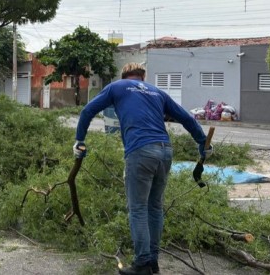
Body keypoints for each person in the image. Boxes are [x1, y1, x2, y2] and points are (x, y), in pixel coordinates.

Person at [72, 63, 211, 275]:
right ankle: (153, 262)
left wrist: (79, 140)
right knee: (155, 207)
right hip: (165, 152)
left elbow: (88, 110)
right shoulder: (157, 92)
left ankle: (142, 264)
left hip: (141, 151)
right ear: (142, 77)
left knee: (138, 208)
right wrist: (203, 142)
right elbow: (186, 117)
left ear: (124, 76)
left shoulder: (116, 87)